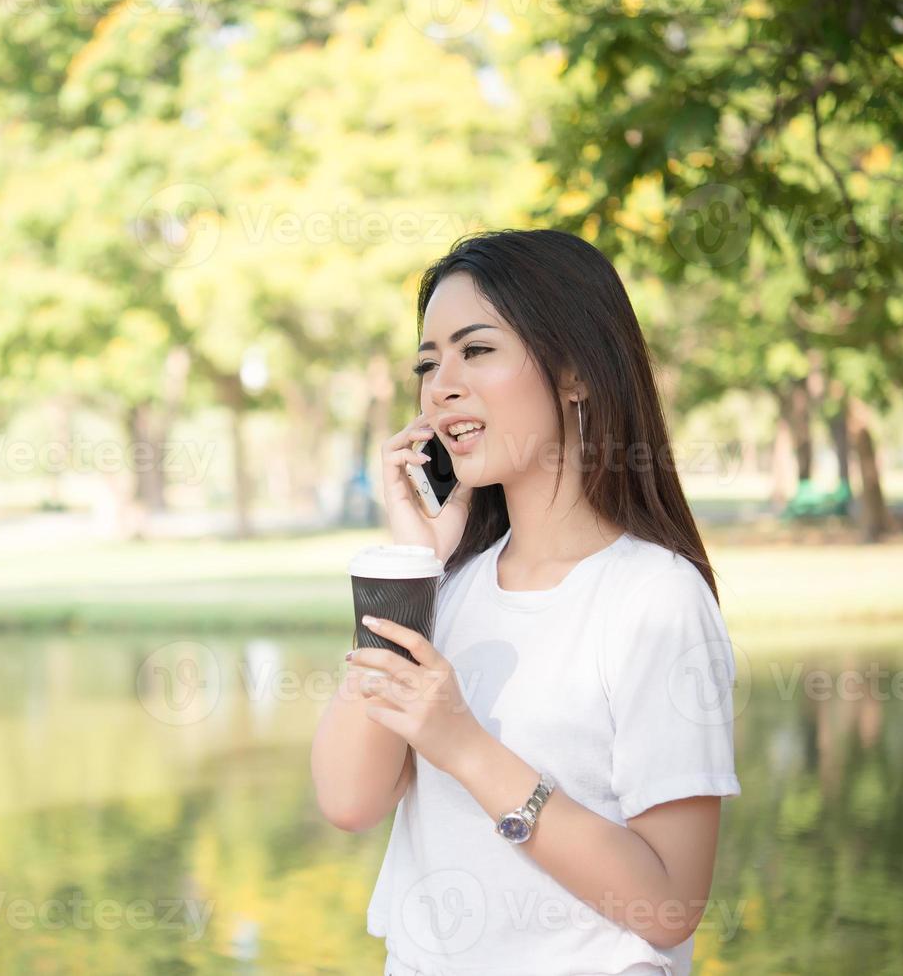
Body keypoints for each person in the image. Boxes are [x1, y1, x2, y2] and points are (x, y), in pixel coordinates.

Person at [310, 229, 742, 975]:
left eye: (475, 350)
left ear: (574, 370)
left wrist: (465, 746)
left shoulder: (653, 599)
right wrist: (411, 565)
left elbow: (667, 907)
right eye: (428, 361)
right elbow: (348, 800)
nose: (441, 384)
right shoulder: (448, 585)